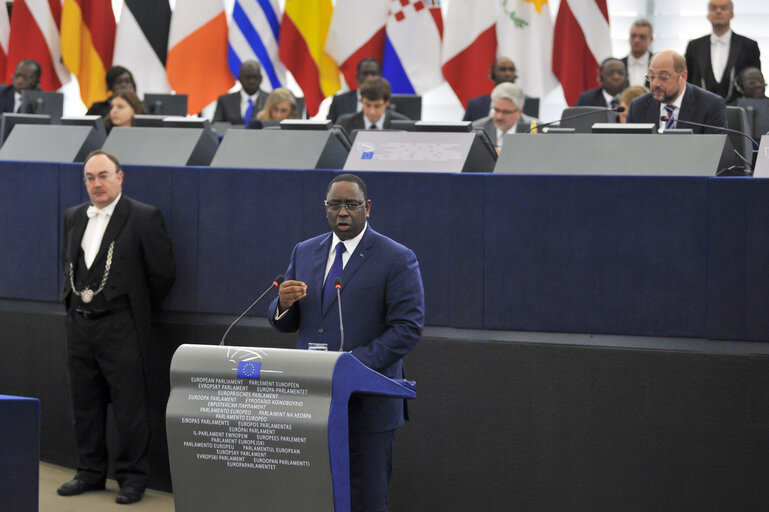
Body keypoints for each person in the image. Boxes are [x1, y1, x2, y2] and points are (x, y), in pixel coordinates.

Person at [268, 173, 424, 512]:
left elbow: (407, 328)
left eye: (351, 205)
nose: (342, 212)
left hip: (368, 403)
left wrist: (349, 366)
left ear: (366, 208)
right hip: (312, 402)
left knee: (365, 500)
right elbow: (287, 322)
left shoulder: (396, 257)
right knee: (314, 496)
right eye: (335, 205)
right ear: (325, 209)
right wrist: (283, 304)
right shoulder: (305, 251)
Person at [57, 150, 175, 505]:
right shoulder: (73, 216)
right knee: (85, 404)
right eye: (90, 178)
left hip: (122, 326)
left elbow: (163, 274)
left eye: (103, 175)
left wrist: (131, 307)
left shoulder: (143, 217)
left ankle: (132, 478)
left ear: (120, 177)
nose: (97, 184)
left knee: (129, 407)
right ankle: (89, 472)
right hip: (80, 325)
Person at [626, 49, 727, 133]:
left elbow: (714, 153)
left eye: (663, 77)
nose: (655, 84)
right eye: (651, 77)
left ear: (682, 77)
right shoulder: (637, 108)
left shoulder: (710, 105)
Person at [684, 0, 761, 104]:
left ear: (732, 14)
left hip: (738, 111)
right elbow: (686, 81)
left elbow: (755, 83)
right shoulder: (694, 46)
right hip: (700, 111)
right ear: (708, 15)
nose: (718, 11)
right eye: (713, 8)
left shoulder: (749, 46)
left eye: (724, 8)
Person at [463, 57, 537, 121]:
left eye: (511, 70)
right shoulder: (475, 105)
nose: (507, 73)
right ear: (493, 73)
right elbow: (465, 133)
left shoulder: (529, 103)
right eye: (502, 69)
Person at [472, 82, 535, 153]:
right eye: (496, 110)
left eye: (506, 112)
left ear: (519, 112)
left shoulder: (536, 129)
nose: (499, 117)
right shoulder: (476, 130)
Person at [336, 77, 409, 134]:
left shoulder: (403, 124)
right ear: (361, 101)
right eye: (367, 105)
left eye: (377, 106)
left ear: (387, 103)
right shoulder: (345, 124)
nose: (372, 112)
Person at [212, 60, 269, 125]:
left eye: (255, 77)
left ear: (261, 79)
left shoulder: (270, 99)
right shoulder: (225, 101)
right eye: (248, 77)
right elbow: (216, 127)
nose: (252, 81)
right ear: (240, 78)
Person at [328, 57, 382, 123]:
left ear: (380, 77)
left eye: (373, 74)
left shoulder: (388, 102)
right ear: (357, 77)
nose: (369, 78)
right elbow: (329, 129)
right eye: (365, 73)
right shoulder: (339, 101)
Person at [621, 19, 654, 88]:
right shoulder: (619, 65)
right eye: (633, 36)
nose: (636, 40)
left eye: (642, 37)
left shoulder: (658, 65)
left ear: (651, 39)